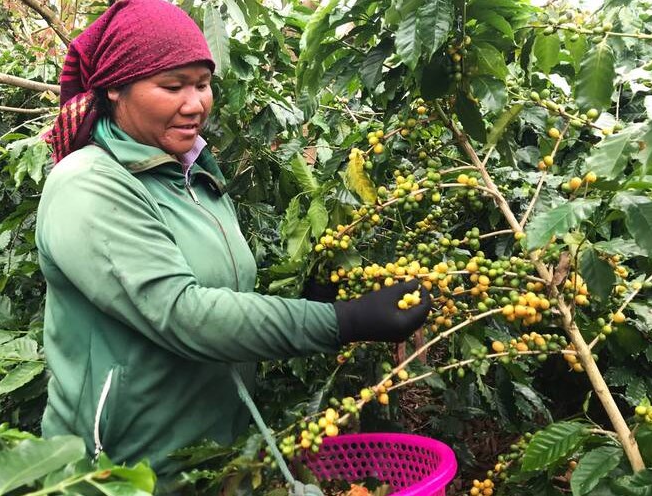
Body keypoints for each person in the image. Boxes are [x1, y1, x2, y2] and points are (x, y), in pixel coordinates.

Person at [36, 0, 432, 491]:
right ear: (115, 87)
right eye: (172, 86)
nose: (194, 103)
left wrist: (310, 302)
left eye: (202, 84)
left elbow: (223, 291)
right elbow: (182, 312)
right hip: (120, 470)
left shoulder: (192, 171)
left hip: (212, 455)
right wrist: (342, 321)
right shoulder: (89, 184)